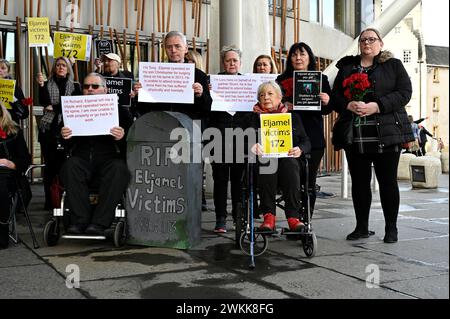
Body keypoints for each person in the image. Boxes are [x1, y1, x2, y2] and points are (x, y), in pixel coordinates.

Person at [331, 28, 414, 243]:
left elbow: (405, 93)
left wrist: (378, 106)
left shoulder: (393, 65)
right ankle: (361, 227)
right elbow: (335, 96)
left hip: (386, 133)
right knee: (359, 183)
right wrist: (347, 104)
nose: (367, 43)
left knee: (387, 182)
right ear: (360, 44)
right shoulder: (347, 67)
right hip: (356, 133)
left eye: (372, 39)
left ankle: (391, 228)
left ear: (380, 43)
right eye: (363, 40)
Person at [59, 73, 130, 235]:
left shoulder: (121, 112)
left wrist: (122, 138)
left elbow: (131, 146)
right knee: (70, 166)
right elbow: (64, 145)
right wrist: (64, 135)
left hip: (109, 159)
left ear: (105, 90)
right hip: (82, 158)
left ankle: (99, 222)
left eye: (95, 86)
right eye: (86, 86)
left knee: (119, 169)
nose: (90, 89)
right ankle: (79, 220)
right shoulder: (73, 110)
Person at [276, 42, 333, 221]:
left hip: (313, 138)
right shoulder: (280, 80)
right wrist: (283, 105)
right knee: (291, 180)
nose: (298, 58)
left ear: (310, 57)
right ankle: (294, 219)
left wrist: (326, 100)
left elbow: (327, 110)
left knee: (309, 181)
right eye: (294, 55)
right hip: (288, 135)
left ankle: (306, 220)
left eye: (302, 54)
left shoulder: (321, 79)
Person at [243, 81, 311, 231]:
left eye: (269, 94)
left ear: (279, 97)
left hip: (287, 158)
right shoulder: (252, 118)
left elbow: (306, 141)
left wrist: (300, 149)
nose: (265, 97)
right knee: (268, 164)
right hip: (263, 161)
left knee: (290, 163)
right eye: (262, 95)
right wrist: (251, 146)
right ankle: (269, 217)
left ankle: (293, 217)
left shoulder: (293, 117)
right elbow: (243, 140)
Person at [208, 45, 247, 233]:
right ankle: (220, 218)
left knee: (239, 181)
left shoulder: (247, 83)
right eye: (228, 60)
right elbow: (206, 109)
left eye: (235, 60)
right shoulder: (213, 81)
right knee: (220, 180)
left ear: (240, 63)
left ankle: (238, 217)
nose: (231, 63)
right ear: (223, 63)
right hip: (218, 137)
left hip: (241, 138)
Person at [36, 57, 82, 211]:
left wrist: (55, 108)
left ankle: (64, 199)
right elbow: (43, 102)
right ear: (54, 68)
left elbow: (74, 106)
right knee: (50, 168)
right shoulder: (47, 84)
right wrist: (41, 86)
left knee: (65, 167)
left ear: (68, 68)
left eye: (64, 65)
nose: (61, 67)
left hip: (68, 130)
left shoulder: (75, 86)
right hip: (48, 130)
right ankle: (49, 201)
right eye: (58, 65)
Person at [135, 31, 212, 120]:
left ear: (186, 49)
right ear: (165, 49)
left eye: (177, 46)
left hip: (188, 128)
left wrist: (200, 95)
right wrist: (139, 95)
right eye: (169, 47)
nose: (173, 50)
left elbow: (207, 109)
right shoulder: (155, 73)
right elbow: (143, 109)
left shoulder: (199, 75)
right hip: (160, 126)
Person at [0, 102, 31, 249]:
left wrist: (9, 163)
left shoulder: (13, 131)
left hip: (7, 175)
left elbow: (25, 159)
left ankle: (2, 230)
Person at [0, 59, 29, 123]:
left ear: (8, 71)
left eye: (3, 68)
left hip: (10, 126)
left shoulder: (15, 89)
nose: (0, 70)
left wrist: (14, 101)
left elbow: (25, 114)